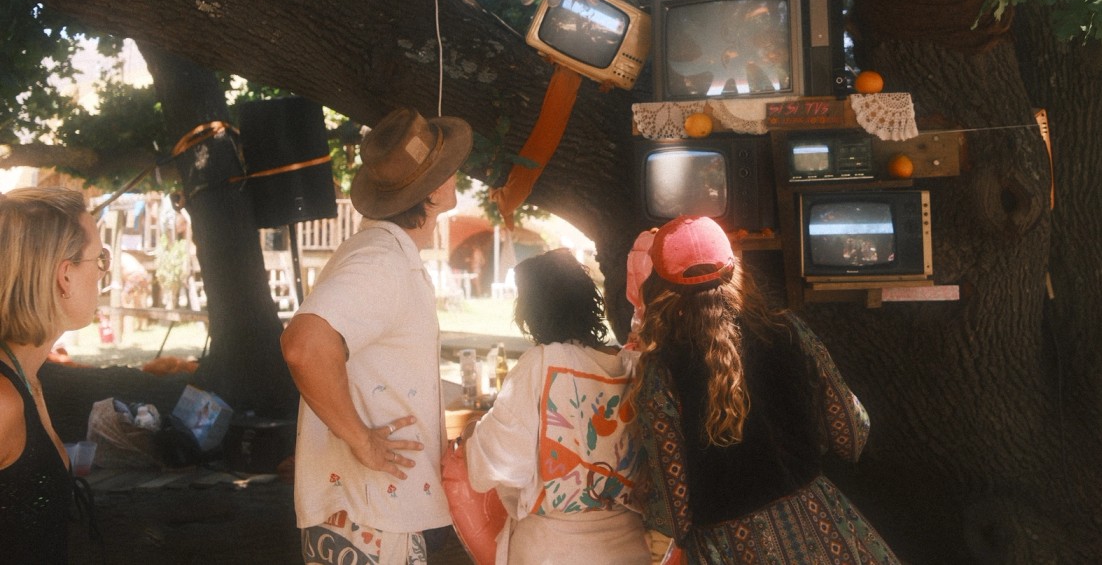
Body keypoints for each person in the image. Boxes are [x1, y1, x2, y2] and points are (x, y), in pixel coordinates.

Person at [630, 215, 900, 563]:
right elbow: (850, 433)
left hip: (731, 548)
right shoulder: (789, 330)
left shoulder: (660, 372)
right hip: (822, 526)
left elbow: (671, 510)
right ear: (736, 270)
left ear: (660, 290)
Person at [281, 107, 473, 565]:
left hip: (374, 511)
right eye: (447, 167)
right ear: (434, 189)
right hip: (369, 515)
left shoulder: (386, 254)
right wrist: (362, 439)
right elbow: (304, 345)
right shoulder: (381, 261)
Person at [464, 248, 649, 564]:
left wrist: (474, 434)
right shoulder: (632, 364)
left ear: (529, 312)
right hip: (628, 548)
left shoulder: (539, 363)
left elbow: (498, 461)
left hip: (551, 550)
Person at [0, 188, 108, 565]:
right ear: (65, 275)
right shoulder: (3, 401)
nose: (102, 272)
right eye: (100, 258)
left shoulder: (27, 377)